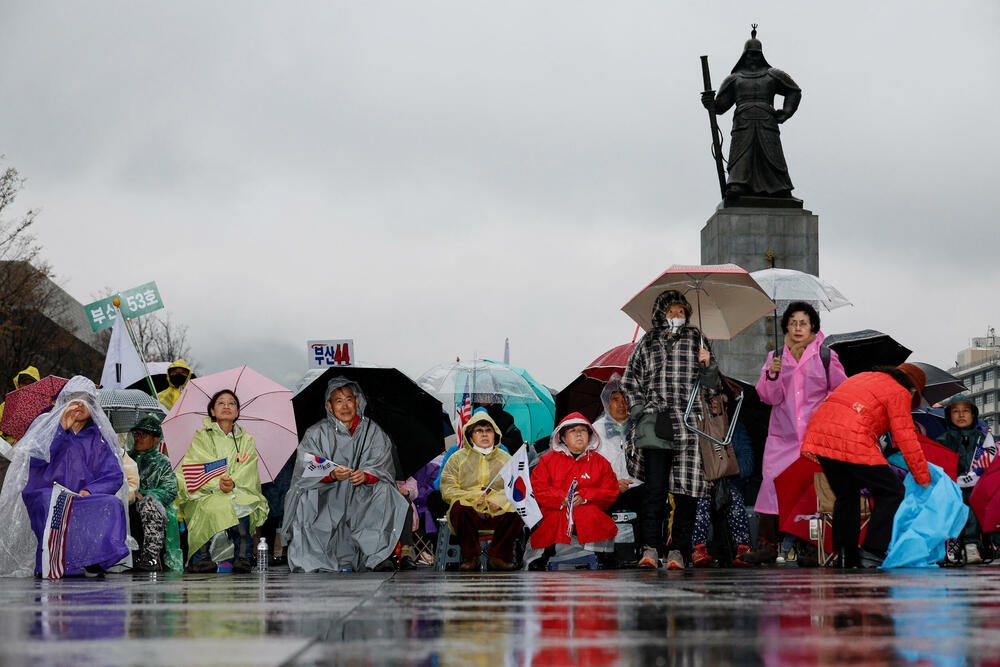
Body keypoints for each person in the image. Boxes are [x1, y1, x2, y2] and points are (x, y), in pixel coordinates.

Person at [621, 289, 721, 570]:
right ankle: (650, 548)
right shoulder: (647, 342)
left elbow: (713, 388)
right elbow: (630, 382)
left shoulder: (697, 339)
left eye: (681, 311)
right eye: (671, 311)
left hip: (689, 424)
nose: (677, 316)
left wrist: (708, 366)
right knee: (654, 489)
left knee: (686, 491)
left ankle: (679, 550)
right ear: (660, 314)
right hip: (656, 421)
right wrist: (639, 411)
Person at [745, 301, 847, 565]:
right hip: (783, 438)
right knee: (771, 485)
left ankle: (813, 546)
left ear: (813, 326)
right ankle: (767, 544)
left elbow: (841, 391)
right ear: (786, 327)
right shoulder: (775, 357)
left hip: (816, 437)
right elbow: (768, 397)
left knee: (813, 489)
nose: (798, 328)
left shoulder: (826, 356)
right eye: (793, 323)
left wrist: (826, 408)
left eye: (803, 322)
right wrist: (772, 374)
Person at [801, 364, 931, 568]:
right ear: (913, 389)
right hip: (851, 436)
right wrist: (923, 477)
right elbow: (905, 436)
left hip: (820, 432)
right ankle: (873, 550)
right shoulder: (900, 391)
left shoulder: (863, 376)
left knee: (847, 495)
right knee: (892, 491)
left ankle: (846, 555)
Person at [0, 376, 131, 578]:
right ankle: (53, 560)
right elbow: (31, 459)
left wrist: (90, 491)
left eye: (86, 399)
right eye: (73, 398)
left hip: (83, 498)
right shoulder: (44, 425)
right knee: (49, 502)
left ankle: (94, 558)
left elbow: (113, 475)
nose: (79, 404)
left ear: (94, 406)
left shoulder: (100, 438)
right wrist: (60, 429)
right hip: (46, 494)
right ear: (63, 401)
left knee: (112, 503)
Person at [282, 377, 408, 573]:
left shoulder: (372, 431)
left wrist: (366, 475)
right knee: (306, 498)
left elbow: (382, 465)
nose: (345, 406)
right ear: (329, 406)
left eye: (349, 399)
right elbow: (305, 467)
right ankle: (315, 559)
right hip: (328, 494)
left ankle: (377, 556)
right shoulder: (316, 433)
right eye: (338, 401)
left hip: (361, 495)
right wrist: (331, 473)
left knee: (385, 491)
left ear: (357, 401)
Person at [701, 26, 802, 202]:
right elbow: (720, 107)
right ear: (744, 55)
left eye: (756, 54)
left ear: (761, 55)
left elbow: (794, 91)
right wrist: (710, 103)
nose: (753, 58)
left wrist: (786, 112)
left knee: (772, 155)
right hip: (743, 122)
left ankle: (779, 187)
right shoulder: (734, 79)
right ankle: (738, 184)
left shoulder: (773, 75)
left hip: (767, 121)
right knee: (742, 153)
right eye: (750, 54)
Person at [175, 390, 268, 574]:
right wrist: (217, 483)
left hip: (236, 489)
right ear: (212, 411)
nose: (226, 406)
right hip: (207, 491)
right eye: (221, 403)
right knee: (205, 508)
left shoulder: (247, 440)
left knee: (241, 506)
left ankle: (243, 557)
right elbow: (194, 465)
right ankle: (201, 558)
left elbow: (248, 469)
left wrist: (232, 483)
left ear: (237, 411)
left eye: (232, 403)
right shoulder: (202, 437)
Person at [527, 413, 619, 571]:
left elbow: (610, 490)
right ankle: (544, 555)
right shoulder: (547, 460)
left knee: (590, 513)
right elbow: (538, 488)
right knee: (554, 517)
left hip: (587, 508)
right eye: (573, 431)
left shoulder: (600, 462)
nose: (579, 434)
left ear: (590, 435)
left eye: (583, 430)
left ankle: (603, 555)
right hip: (557, 508)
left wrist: (585, 496)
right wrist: (561, 498)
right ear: (562, 438)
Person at [439, 411, 522, 570]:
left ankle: (498, 557)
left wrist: (500, 500)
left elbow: (517, 488)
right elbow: (446, 488)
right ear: (470, 437)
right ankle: (471, 558)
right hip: (470, 512)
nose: (484, 434)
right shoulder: (457, 458)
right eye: (479, 431)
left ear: (495, 434)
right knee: (459, 508)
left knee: (517, 510)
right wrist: (472, 496)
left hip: (497, 512)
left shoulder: (505, 459)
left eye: (488, 430)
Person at [937, 394, 998, 563]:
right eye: (955, 411)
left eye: (965, 410)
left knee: (972, 498)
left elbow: (990, 465)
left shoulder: (983, 439)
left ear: (973, 414)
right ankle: (953, 543)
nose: (961, 415)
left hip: (978, 489)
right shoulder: (942, 441)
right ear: (949, 415)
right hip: (951, 488)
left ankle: (972, 544)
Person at [127, 414, 181, 572]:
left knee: (148, 505)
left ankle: (150, 557)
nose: (138, 438)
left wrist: (144, 494)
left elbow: (170, 489)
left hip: (153, 507)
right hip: (126, 501)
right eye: (136, 434)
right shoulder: (125, 458)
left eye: (143, 435)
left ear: (155, 439)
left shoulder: (163, 462)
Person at [0, 365, 41, 445]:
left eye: (31, 384)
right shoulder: (7, 405)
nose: (27, 387)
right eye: (24, 383)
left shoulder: (39, 411)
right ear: (18, 385)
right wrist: (4, 435)